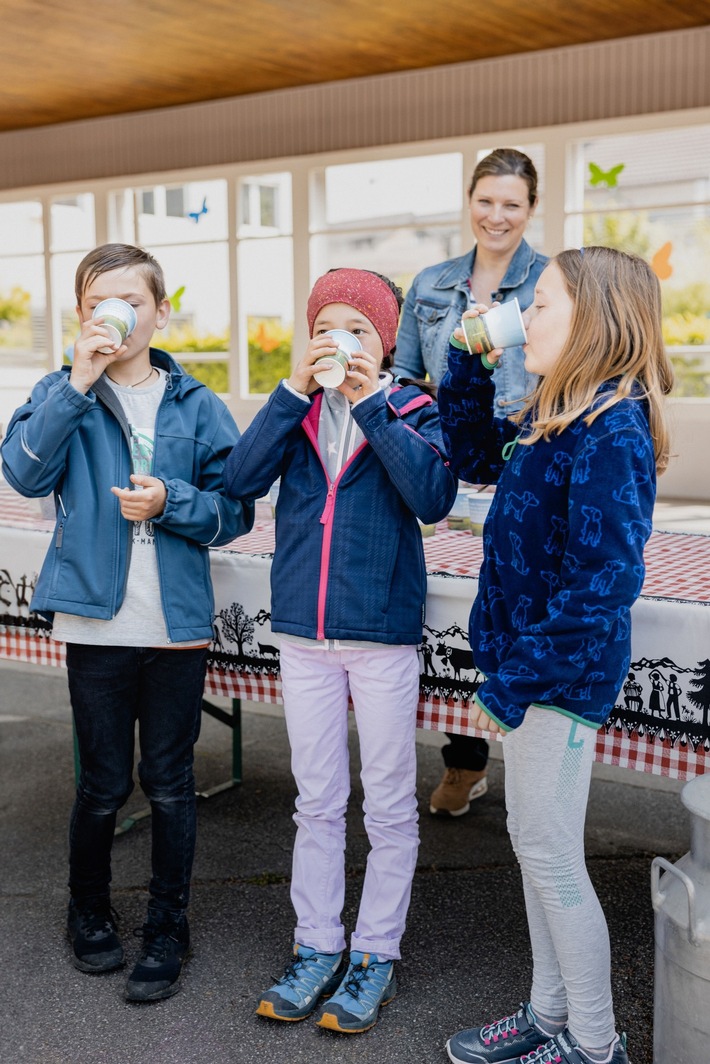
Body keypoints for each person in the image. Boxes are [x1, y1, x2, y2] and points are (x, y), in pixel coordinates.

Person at [1, 243, 254, 1002]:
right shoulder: (61, 389)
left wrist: (171, 502)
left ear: (161, 310)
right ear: (82, 315)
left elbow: (233, 510)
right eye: (99, 303)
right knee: (103, 784)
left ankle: (168, 924)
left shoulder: (199, 404)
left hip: (175, 625)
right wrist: (78, 379)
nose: (119, 315)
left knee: (170, 783)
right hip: (96, 624)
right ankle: (89, 913)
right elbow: (23, 472)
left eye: (133, 301)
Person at [438, 246, 673, 1064]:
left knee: (548, 853)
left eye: (540, 304)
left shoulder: (611, 431)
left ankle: (594, 1042)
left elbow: (603, 586)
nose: (524, 316)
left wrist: (512, 685)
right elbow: (467, 455)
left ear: (595, 322)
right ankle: (549, 1014)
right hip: (530, 671)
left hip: (557, 680)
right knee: (536, 846)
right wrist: (466, 361)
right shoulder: (553, 412)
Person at [223, 267, 457, 1033]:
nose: (340, 342)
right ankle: (317, 944)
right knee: (317, 801)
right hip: (303, 633)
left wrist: (373, 406)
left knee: (388, 804)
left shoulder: (412, 404)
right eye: (326, 326)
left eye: (357, 329)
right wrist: (292, 392)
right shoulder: (296, 411)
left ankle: (375, 952)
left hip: (381, 633)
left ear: (385, 341)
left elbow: (432, 497)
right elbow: (238, 479)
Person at [395, 147, 548, 818]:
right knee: (452, 607)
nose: (497, 215)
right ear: (470, 202)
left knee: (516, 599)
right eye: (486, 200)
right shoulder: (431, 284)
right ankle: (465, 761)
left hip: (527, 460)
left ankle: (543, 764)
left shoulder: (553, 282)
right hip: (449, 463)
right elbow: (402, 378)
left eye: (512, 203)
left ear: (531, 209)